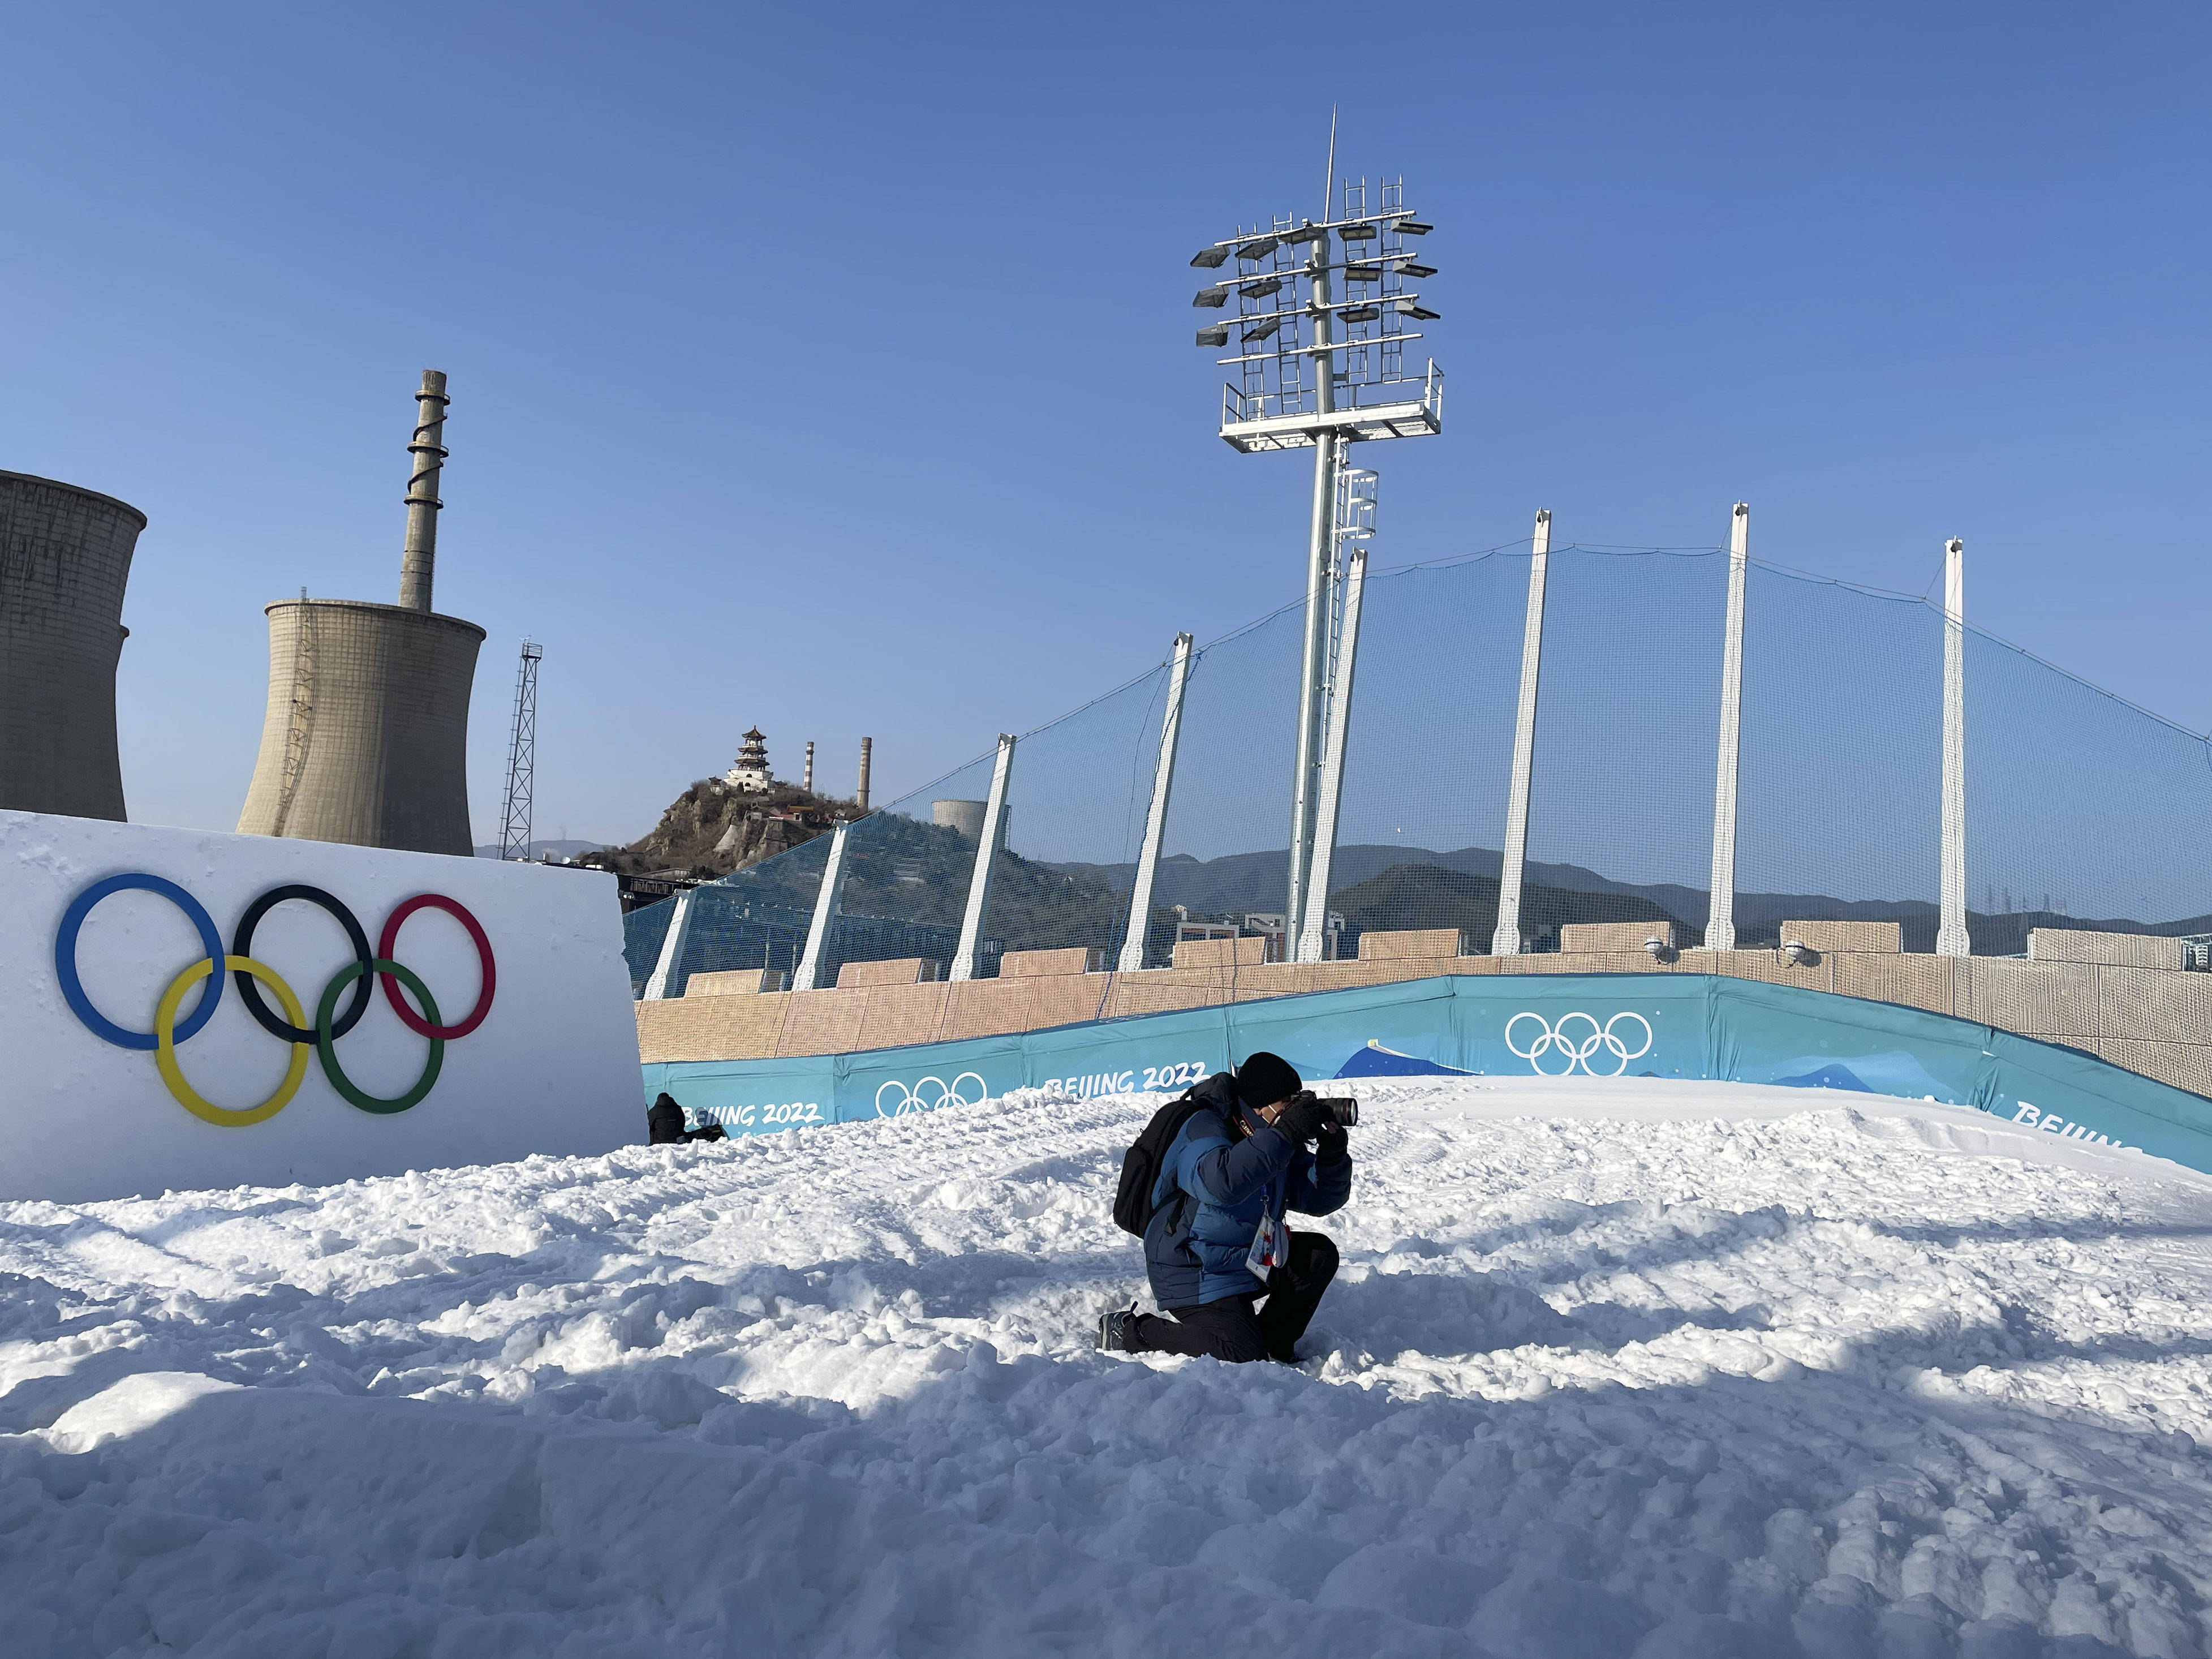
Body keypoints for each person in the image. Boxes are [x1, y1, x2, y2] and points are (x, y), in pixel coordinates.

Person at [1097, 1051, 1350, 1364]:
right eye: (1287, 1106)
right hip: (1196, 1267)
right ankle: (1134, 1331)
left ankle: (1273, 1342)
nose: (1292, 1116)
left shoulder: (1273, 1139)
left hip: (1247, 1257)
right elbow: (1221, 1183)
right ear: (1260, 1107)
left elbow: (1320, 1200)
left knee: (1318, 1257)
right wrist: (1286, 1135)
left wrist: (1332, 1155)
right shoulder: (1203, 1126)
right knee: (1241, 1354)